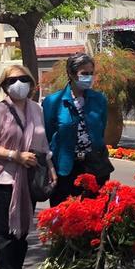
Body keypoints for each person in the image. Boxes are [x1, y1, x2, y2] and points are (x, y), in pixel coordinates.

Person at [0, 65, 48, 269]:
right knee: (7, 234)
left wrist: (49, 167)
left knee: (22, 233)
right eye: (12, 80)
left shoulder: (36, 110)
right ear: (5, 86)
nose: (18, 83)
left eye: (23, 79)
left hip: (28, 179)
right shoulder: (0, 111)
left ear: (31, 82)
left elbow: (43, 143)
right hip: (4, 179)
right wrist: (14, 156)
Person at [43, 53, 111, 207]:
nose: (89, 77)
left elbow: (101, 130)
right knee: (63, 217)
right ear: (71, 74)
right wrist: (49, 166)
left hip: (94, 167)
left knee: (93, 216)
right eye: (84, 73)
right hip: (65, 169)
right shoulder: (53, 102)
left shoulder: (99, 100)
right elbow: (47, 136)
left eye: (91, 73)